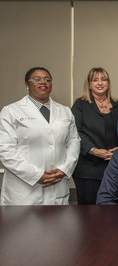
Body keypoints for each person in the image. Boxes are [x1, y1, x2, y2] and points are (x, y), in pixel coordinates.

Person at [0, 67, 80, 205]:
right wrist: (36, 175)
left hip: (57, 184)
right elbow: (6, 150)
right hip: (24, 190)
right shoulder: (11, 111)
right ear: (27, 84)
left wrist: (64, 169)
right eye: (36, 79)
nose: (43, 82)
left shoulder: (65, 111)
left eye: (47, 79)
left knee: (57, 225)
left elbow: (74, 142)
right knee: (23, 226)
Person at [71, 67, 118, 204]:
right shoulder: (80, 104)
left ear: (108, 83)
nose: (100, 83)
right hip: (88, 168)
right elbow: (75, 131)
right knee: (89, 215)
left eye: (103, 79)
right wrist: (93, 150)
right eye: (95, 80)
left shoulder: (117, 104)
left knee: (112, 212)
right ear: (89, 84)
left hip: (113, 166)